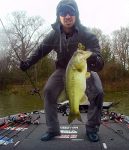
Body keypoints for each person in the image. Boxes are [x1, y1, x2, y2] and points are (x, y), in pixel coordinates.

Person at [20, 0, 104, 142]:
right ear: (58, 16)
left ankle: (91, 128)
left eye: (71, 12)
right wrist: (28, 62)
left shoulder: (87, 34)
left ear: (76, 15)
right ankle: (53, 130)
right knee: (48, 91)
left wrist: (94, 58)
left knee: (98, 91)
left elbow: (100, 62)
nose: (67, 16)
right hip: (62, 70)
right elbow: (40, 51)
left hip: (83, 70)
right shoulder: (53, 34)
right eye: (63, 12)